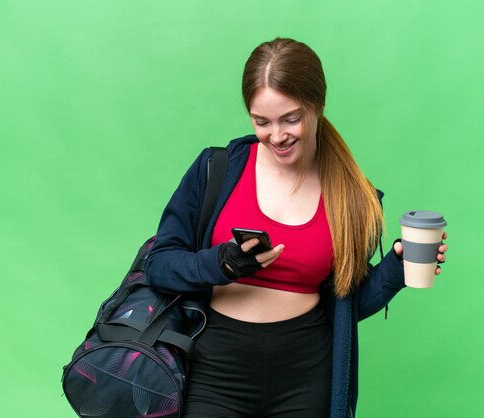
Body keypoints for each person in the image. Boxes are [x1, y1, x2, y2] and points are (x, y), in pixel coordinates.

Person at [145, 37, 449, 418]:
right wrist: (221, 264)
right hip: (215, 370)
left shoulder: (355, 198)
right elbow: (160, 266)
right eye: (262, 122)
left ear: (318, 107)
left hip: (306, 376)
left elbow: (344, 305)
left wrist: (398, 270)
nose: (277, 136)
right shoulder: (216, 170)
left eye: (291, 119)